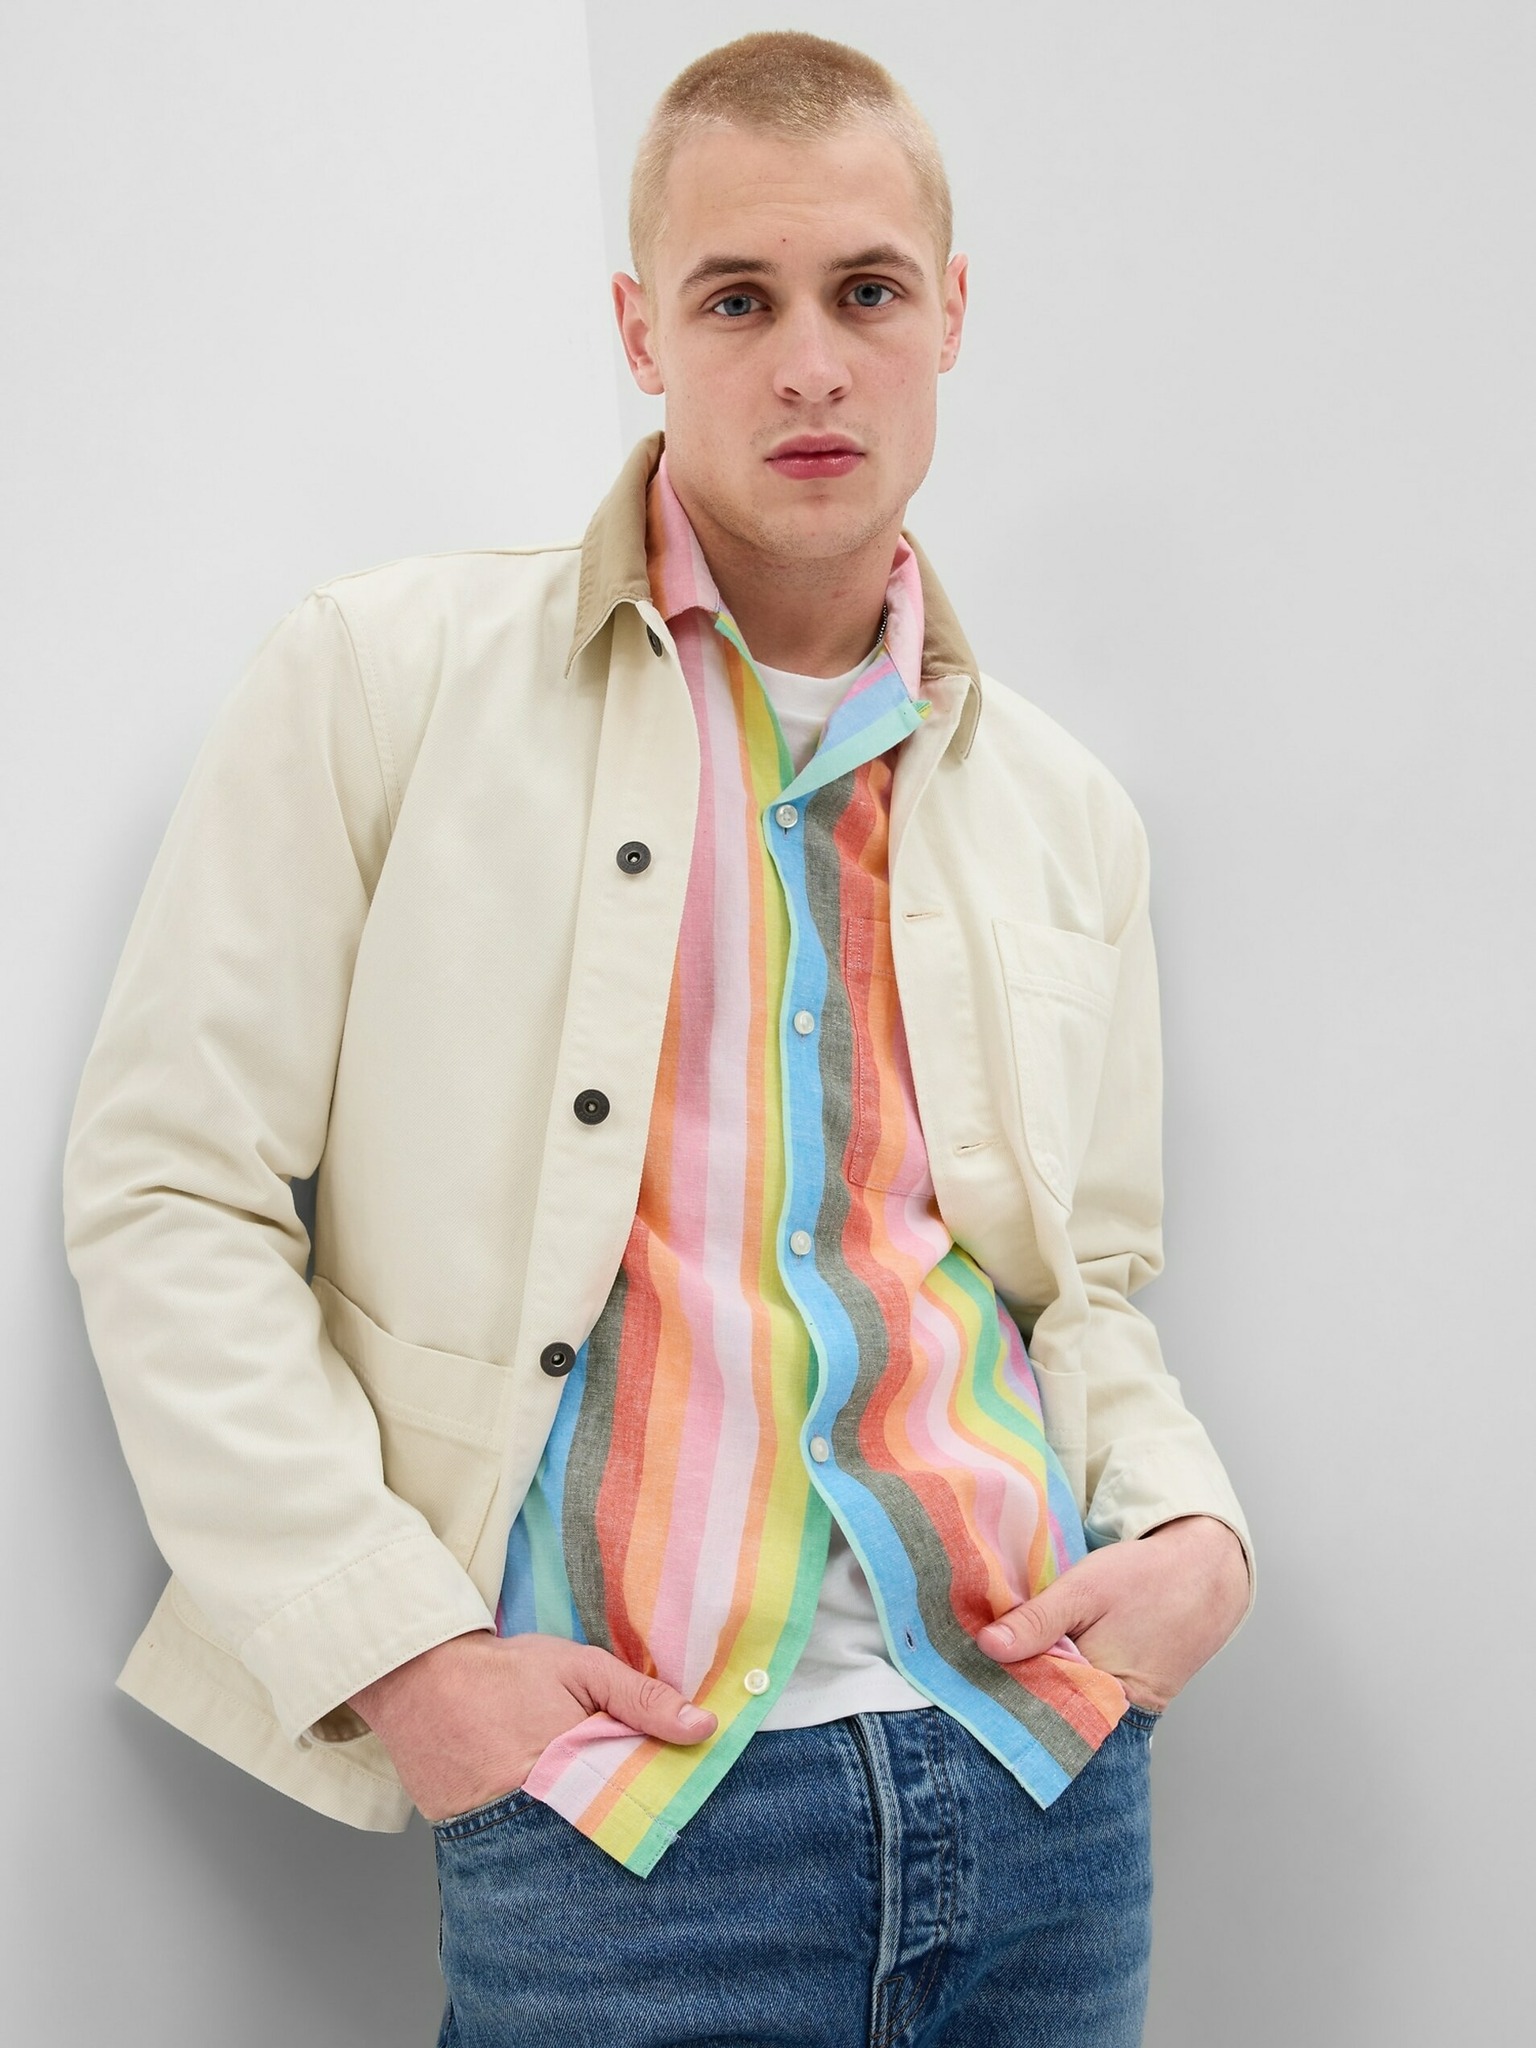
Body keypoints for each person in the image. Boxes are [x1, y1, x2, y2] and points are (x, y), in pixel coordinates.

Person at [63, 29, 1253, 2048]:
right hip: (631, 1820)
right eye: (738, 300)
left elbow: (1084, 1284)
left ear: (951, 313)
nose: (812, 366)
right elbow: (171, 1190)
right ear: (641, 329)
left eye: (866, 292)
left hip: (1039, 1775)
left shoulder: (1064, 808)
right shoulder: (386, 679)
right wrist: (404, 1656)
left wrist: (1191, 1531)